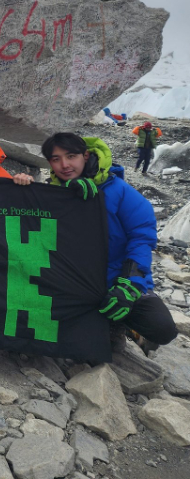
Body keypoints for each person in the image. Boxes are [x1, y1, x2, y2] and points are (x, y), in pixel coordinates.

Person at [41, 132, 177, 350]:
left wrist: (130, 285)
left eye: (71, 156)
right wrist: (24, 185)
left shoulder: (122, 193)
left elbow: (141, 239)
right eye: (56, 159)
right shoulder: (52, 193)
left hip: (115, 280)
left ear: (85, 156)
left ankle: (122, 324)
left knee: (162, 328)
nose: (64, 165)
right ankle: (106, 324)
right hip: (71, 281)